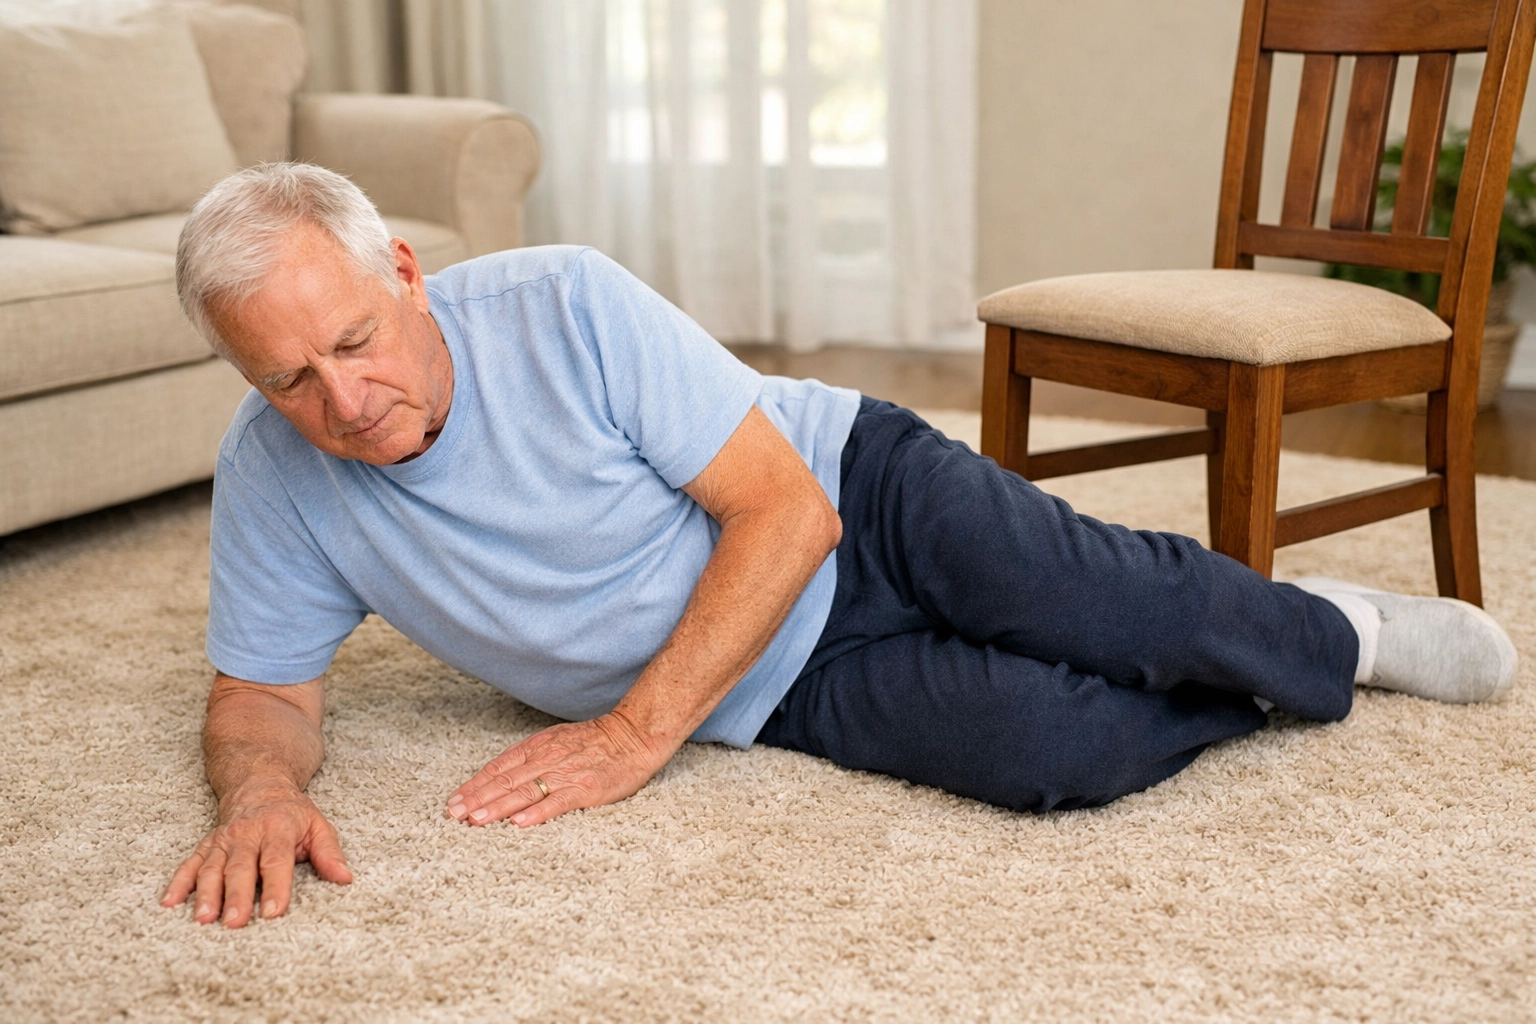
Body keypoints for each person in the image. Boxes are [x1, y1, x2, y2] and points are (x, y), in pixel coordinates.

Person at [159, 163, 1518, 930]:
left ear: (402, 269)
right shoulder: (278, 468)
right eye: (287, 379)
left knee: (1092, 600)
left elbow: (787, 513)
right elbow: (264, 690)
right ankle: (1246, 651)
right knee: (1062, 756)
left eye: (354, 343)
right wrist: (258, 795)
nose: (340, 402)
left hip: (851, 493)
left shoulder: (560, 300)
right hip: (767, 678)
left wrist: (633, 738)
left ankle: (1336, 631)